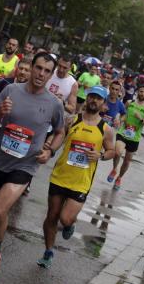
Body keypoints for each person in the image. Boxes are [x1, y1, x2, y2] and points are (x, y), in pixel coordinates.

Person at [0, 52, 66, 280]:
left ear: (51, 75)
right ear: (30, 67)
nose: (41, 74)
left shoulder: (54, 104)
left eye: (47, 71)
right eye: (38, 68)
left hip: (25, 166)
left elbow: (60, 132)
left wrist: (50, 150)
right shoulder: (11, 91)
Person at [37, 86, 116, 268]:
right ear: (87, 99)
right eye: (92, 97)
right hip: (60, 176)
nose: (94, 101)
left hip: (81, 182)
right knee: (52, 216)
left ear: (103, 104)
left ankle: (69, 225)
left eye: (98, 99)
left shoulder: (106, 129)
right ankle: (48, 252)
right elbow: (59, 136)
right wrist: (49, 147)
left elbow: (112, 151)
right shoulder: (72, 120)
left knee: (65, 218)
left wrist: (101, 156)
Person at [107, 83, 144, 190]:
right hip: (123, 132)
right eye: (141, 91)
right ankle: (114, 170)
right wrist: (120, 120)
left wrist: (141, 119)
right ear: (138, 92)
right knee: (118, 152)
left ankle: (119, 178)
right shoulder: (129, 102)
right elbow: (125, 115)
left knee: (127, 161)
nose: (142, 94)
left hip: (134, 137)